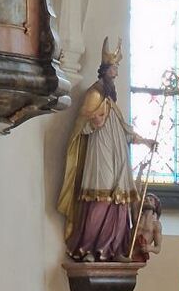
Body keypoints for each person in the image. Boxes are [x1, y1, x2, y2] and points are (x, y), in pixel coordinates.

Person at [57, 37, 155, 262]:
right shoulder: (94, 94)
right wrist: (94, 121)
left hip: (117, 155)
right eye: (114, 68)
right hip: (100, 153)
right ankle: (90, 249)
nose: (117, 73)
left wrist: (145, 141)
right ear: (105, 70)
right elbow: (82, 125)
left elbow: (124, 129)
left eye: (118, 68)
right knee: (100, 197)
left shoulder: (111, 99)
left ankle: (114, 249)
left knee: (119, 199)